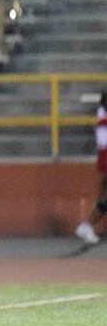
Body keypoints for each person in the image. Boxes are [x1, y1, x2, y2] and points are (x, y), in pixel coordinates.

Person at [75, 92, 107, 245]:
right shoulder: (103, 119)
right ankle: (86, 226)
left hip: (104, 156)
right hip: (105, 156)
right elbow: (103, 143)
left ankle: (86, 226)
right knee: (104, 199)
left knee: (104, 198)